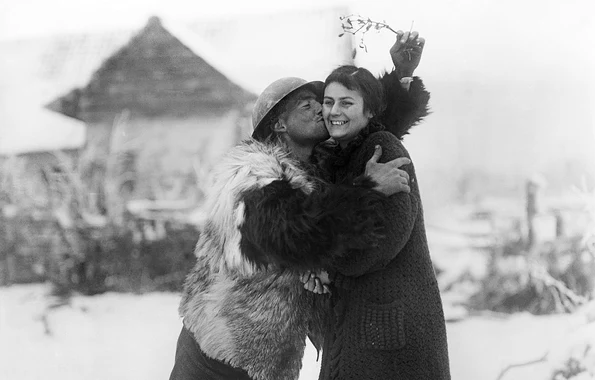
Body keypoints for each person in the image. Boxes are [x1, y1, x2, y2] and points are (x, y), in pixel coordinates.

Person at [169, 32, 430, 380]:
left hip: (265, 352)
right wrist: (368, 187)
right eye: (307, 105)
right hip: (219, 348)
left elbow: (364, 125)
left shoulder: (311, 168)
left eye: (321, 103)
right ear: (279, 124)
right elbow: (300, 232)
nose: (323, 110)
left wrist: (400, 77)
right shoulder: (253, 174)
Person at [307, 63, 451, 379]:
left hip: (391, 332)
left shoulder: (384, 150)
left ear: (369, 111)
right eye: (329, 102)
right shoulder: (337, 158)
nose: (334, 111)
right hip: (359, 327)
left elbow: (368, 251)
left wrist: (325, 256)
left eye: (347, 102)